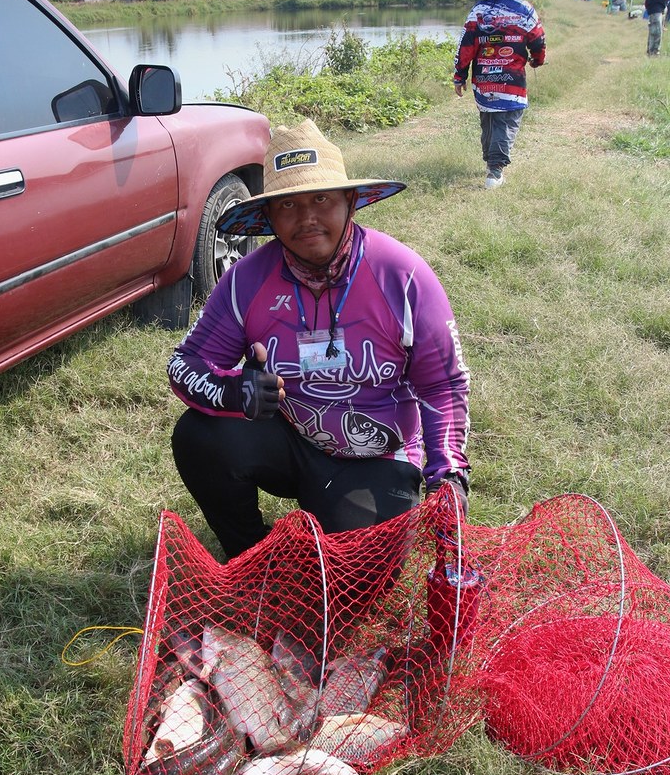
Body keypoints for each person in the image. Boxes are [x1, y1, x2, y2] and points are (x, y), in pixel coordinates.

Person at [166, 119, 470, 560]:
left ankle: (341, 525)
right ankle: (248, 554)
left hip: (378, 457)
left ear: (350, 201)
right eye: (287, 205)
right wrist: (236, 392)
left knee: (357, 575)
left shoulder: (403, 276)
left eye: (321, 199)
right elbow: (184, 365)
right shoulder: (244, 281)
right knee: (198, 437)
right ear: (268, 217)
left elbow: (443, 385)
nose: (306, 218)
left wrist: (448, 475)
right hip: (289, 439)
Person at [453, 0, 546, 189]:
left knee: (489, 120)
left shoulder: (478, 11)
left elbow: (465, 46)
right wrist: (537, 60)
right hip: (512, 81)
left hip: (483, 80)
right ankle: (495, 171)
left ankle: (491, 162)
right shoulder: (525, 10)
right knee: (507, 122)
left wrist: (459, 76)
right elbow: (538, 40)